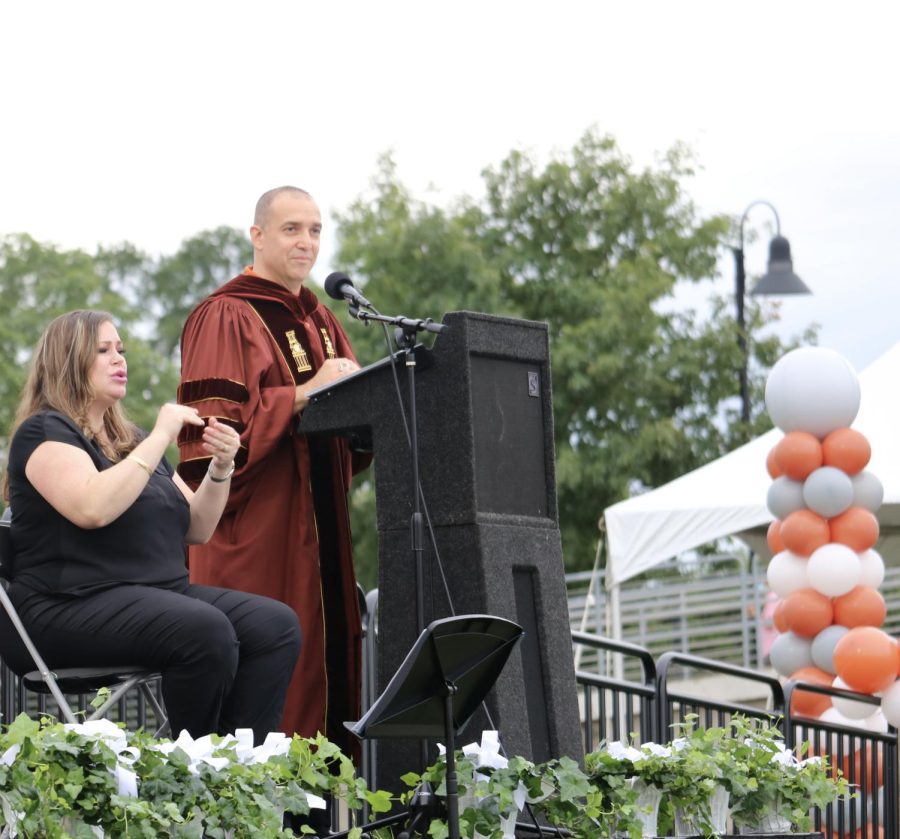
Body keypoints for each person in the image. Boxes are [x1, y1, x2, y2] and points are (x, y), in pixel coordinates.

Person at [2, 310, 301, 743]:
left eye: (120, 349)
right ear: (68, 362)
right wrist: (162, 435)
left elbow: (196, 526)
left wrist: (222, 467)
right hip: (63, 606)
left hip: (157, 595)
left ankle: (238, 767)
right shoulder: (44, 432)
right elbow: (92, 507)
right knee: (204, 630)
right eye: (103, 351)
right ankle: (193, 776)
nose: (119, 359)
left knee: (275, 625)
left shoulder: (133, 441)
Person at [176, 186, 369, 754]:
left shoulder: (323, 318)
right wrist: (304, 395)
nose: (306, 242)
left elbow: (353, 426)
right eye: (291, 229)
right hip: (255, 536)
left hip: (318, 532)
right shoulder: (225, 314)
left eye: (314, 230)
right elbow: (210, 440)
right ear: (257, 236)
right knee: (268, 697)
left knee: (323, 678)